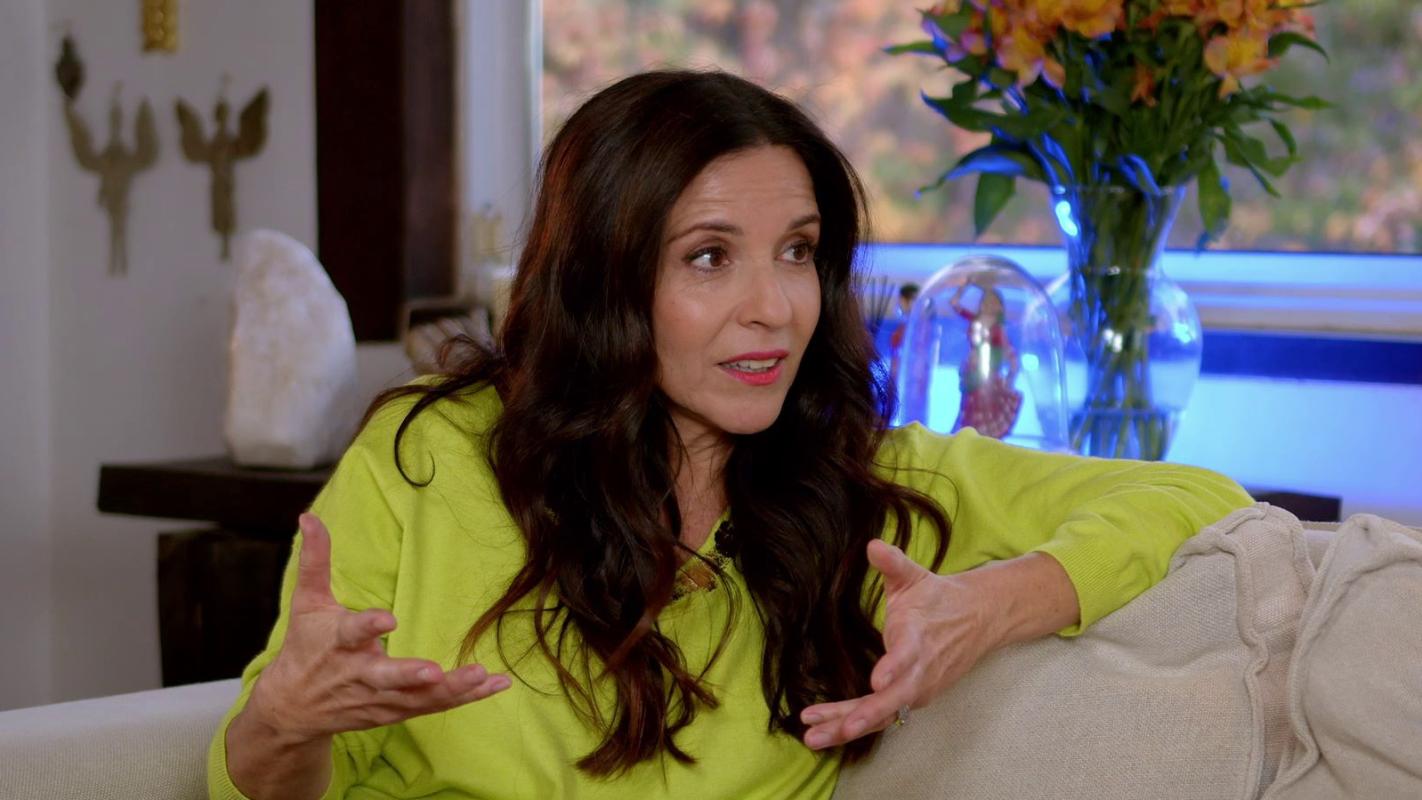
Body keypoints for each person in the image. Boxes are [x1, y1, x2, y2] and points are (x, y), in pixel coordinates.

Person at [210, 70, 1252, 800]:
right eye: (709, 257)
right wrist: (287, 720)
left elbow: (1199, 497)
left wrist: (988, 608)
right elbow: (260, 781)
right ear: (606, 280)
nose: (774, 308)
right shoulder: (430, 453)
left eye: (797, 252)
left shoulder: (867, 482)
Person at [948, 280, 1023, 439]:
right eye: (986, 301)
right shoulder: (975, 320)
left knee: (985, 409)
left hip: (988, 377)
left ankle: (984, 441)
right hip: (972, 374)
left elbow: (1009, 352)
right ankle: (968, 439)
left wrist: (1011, 375)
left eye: (994, 302)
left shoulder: (998, 328)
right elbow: (954, 303)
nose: (989, 305)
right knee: (969, 408)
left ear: (1000, 307)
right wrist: (964, 286)